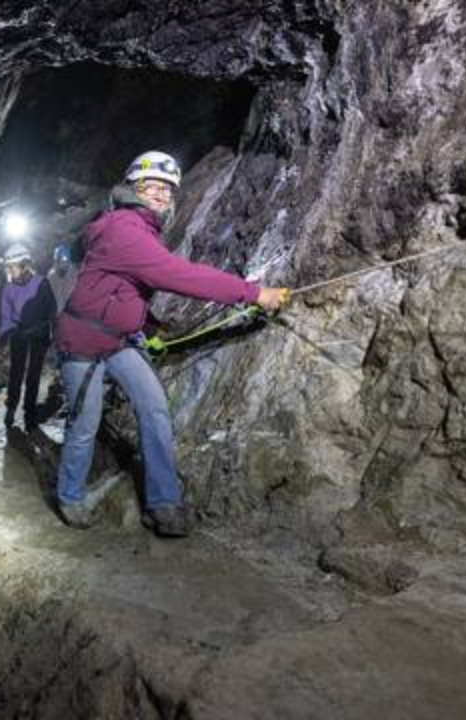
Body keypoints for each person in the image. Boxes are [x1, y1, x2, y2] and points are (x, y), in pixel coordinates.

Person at [53, 150, 289, 536]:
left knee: (155, 410)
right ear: (133, 186)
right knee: (84, 424)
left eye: (167, 188)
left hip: (120, 342)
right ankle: (69, 496)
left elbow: (125, 289)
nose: (162, 194)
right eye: (152, 185)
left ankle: (164, 503)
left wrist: (149, 325)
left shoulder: (143, 229)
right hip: (81, 342)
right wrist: (254, 293)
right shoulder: (122, 228)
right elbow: (175, 275)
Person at [0, 243, 56, 431]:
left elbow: (51, 311)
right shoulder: (8, 289)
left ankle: (29, 413)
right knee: (16, 373)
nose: (9, 271)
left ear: (24, 265)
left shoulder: (42, 283)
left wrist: (47, 331)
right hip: (20, 333)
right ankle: (11, 408)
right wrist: (5, 336)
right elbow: (6, 315)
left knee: (33, 375)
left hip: (38, 334)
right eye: (7, 267)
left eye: (11, 267)